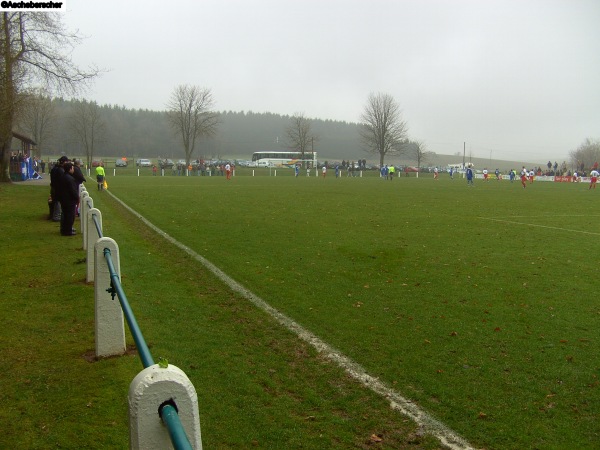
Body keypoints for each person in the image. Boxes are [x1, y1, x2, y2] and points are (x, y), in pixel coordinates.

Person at [60, 162, 79, 236]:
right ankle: (68, 231)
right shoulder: (70, 178)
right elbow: (73, 190)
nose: (73, 169)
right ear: (70, 169)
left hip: (64, 199)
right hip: (69, 200)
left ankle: (65, 229)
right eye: (73, 168)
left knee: (65, 215)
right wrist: (77, 197)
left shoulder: (63, 176)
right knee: (70, 216)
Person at [49, 156, 68, 221]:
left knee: (55, 201)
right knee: (58, 202)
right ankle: (56, 216)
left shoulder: (54, 168)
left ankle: (54, 215)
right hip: (57, 188)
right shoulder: (60, 170)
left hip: (53, 187)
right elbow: (61, 180)